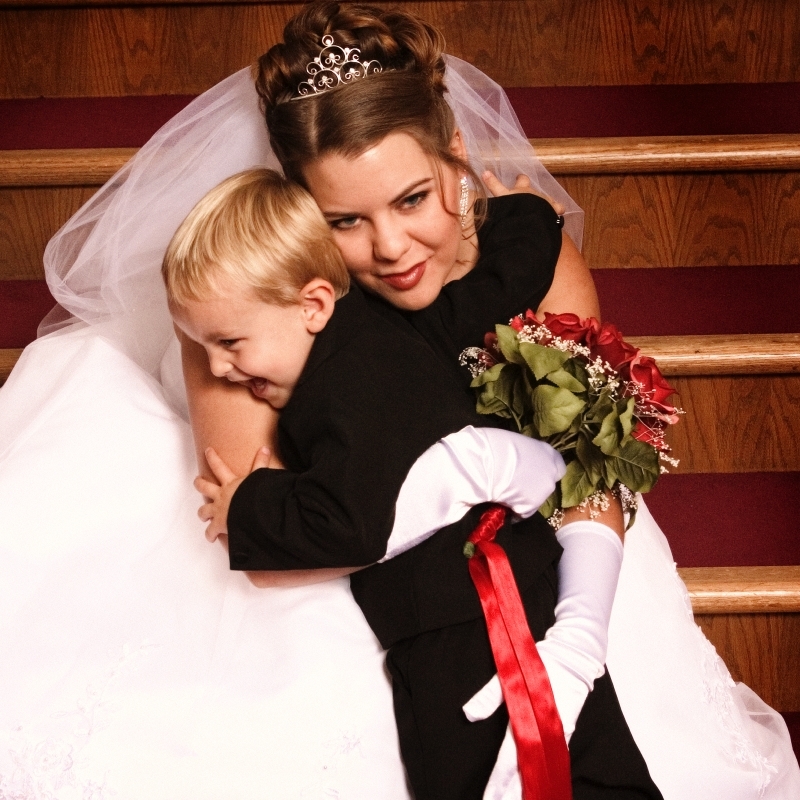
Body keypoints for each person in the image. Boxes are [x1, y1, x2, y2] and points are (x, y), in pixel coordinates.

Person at [0, 3, 796, 799]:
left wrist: (581, 625)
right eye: (343, 219)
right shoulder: (258, 304)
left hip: (551, 565)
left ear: (455, 154)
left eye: (413, 199)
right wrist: (465, 471)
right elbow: (276, 526)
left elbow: (590, 456)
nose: (388, 246)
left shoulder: (529, 254)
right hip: (368, 595)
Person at [162, 166, 658, 799]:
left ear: (313, 305)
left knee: (485, 773)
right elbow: (496, 285)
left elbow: (355, 523)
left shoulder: (344, 392)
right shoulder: (384, 332)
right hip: (515, 587)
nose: (218, 368)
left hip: (463, 619)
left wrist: (248, 506)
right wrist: (528, 216)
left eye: (230, 342)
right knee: (589, 760)